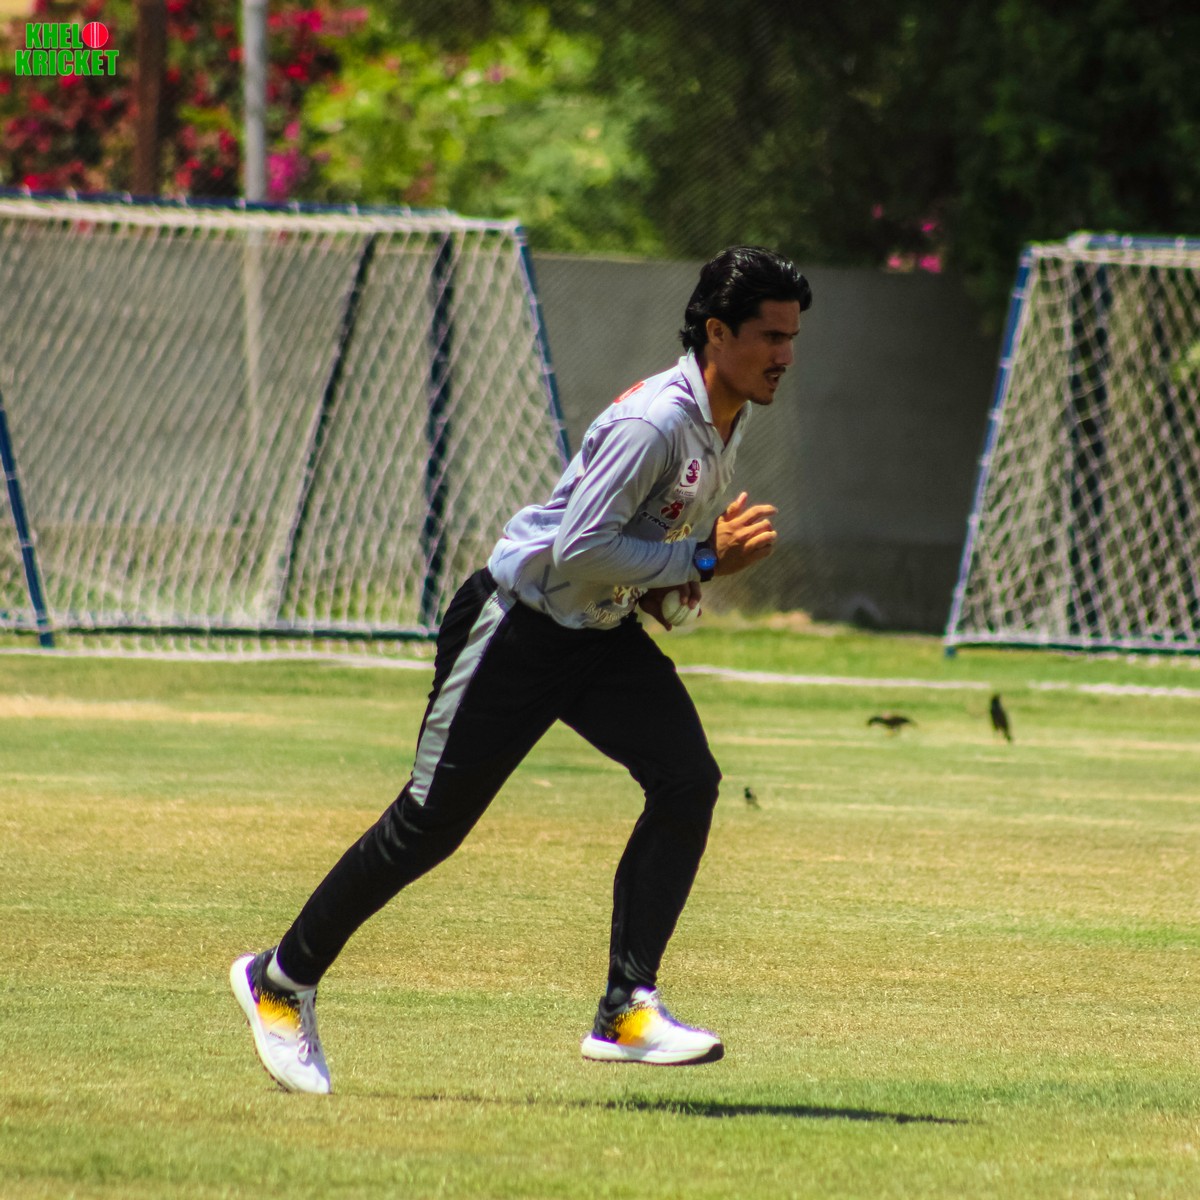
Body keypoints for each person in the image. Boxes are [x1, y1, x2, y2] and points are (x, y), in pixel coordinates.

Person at [231, 245, 813, 1093]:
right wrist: (698, 560)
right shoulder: (656, 421)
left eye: (792, 338)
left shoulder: (726, 414)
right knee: (429, 825)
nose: (786, 355)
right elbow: (578, 548)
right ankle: (279, 980)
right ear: (718, 333)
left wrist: (671, 587)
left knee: (688, 779)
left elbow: (631, 545)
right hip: (517, 627)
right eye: (771, 336)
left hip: (598, 633)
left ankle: (626, 1008)